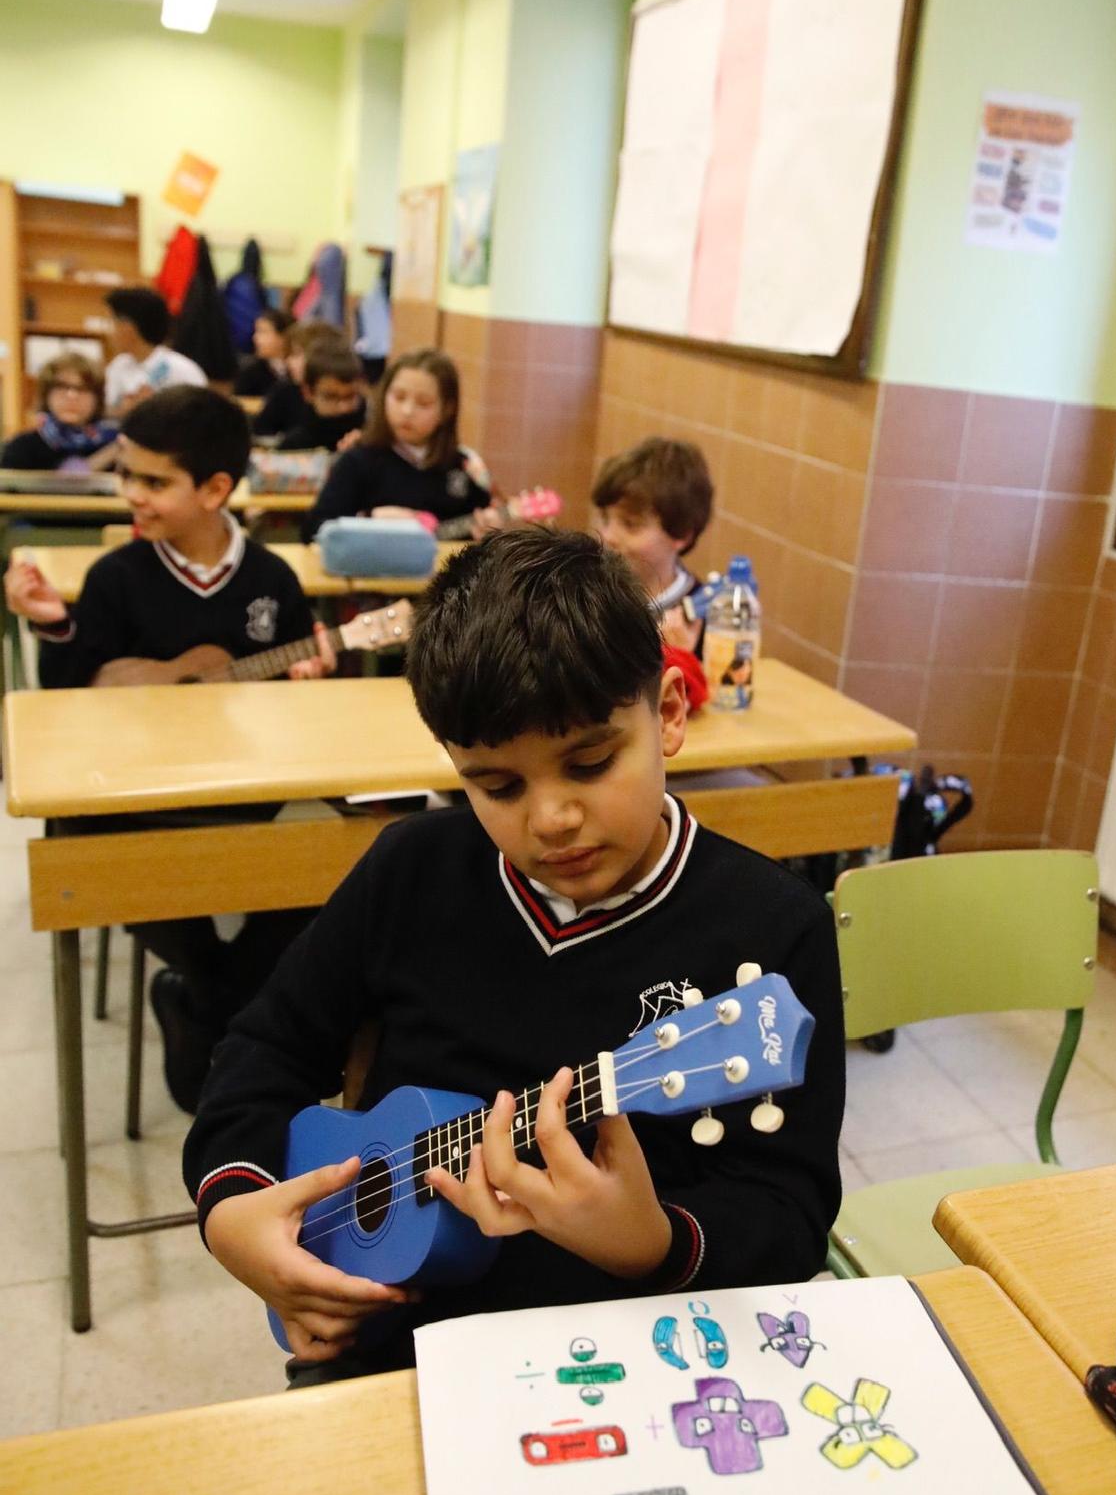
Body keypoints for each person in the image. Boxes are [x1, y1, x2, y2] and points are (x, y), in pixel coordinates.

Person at [184, 527, 845, 1374]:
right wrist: (233, 1212)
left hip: (645, 1345)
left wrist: (652, 1243)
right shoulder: (413, 868)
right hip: (401, 1340)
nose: (550, 818)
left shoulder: (771, 927)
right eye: (497, 785)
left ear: (668, 714)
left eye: (591, 762)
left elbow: (790, 1217)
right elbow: (265, 1047)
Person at [4, 386, 335, 1111]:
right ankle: (220, 1002)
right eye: (127, 474)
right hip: (133, 801)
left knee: (332, 866)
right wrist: (55, 628)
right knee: (100, 855)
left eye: (154, 481)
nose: (132, 494)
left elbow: (296, 697)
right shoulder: (117, 576)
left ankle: (199, 997)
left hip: (245, 793)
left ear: (216, 489)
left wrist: (306, 679)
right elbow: (65, 698)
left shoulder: (270, 582)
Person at [300, 348, 492, 543]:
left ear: (447, 409)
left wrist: (484, 534)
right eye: (399, 397)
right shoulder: (358, 460)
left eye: (423, 403)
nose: (407, 411)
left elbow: (476, 533)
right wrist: (369, 518)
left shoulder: (464, 467)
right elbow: (313, 531)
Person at [593, 437, 714, 652]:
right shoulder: (587, 592)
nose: (608, 535)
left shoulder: (703, 620)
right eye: (605, 519)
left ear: (681, 534)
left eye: (631, 525)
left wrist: (682, 660)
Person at [1, 351, 119, 471]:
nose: (72, 395)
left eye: (83, 389)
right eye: (62, 386)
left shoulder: (117, 447)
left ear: (98, 399)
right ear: (46, 395)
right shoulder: (22, 448)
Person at [102, 287, 207, 415]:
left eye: (112, 323)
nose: (109, 332)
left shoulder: (182, 370)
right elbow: (106, 411)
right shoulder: (118, 365)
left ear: (128, 328)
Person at [254, 317, 341, 437]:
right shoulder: (284, 391)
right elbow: (261, 433)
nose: (289, 362)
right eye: (289, 355)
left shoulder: (342, 390)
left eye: (297, 354)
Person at [276, 342, 367, 452]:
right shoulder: (293, 446)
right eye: (331, 397)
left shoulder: (371, 440)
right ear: (308, 392)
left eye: (351, 397)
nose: (343, 407)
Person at [234, 307, 293, 408]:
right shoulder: (250, 372)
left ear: (284, 336)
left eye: (263, 332)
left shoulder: (297, 370)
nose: (255, 338)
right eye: (256, 331)